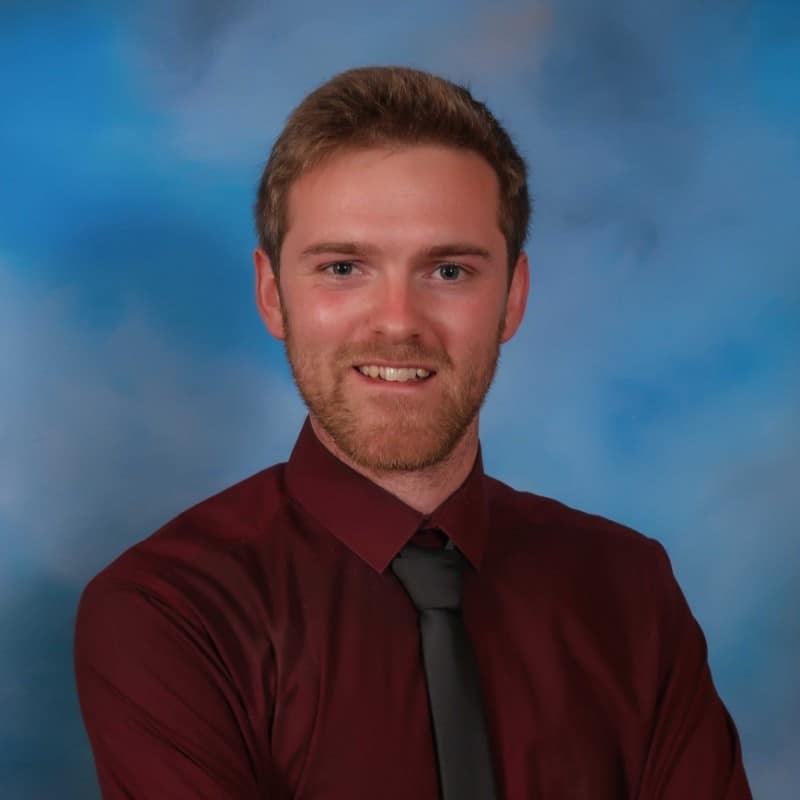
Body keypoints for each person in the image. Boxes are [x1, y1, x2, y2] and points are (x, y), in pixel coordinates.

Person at [74, 66, 752, 799]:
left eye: (449, 271)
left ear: (512, 298)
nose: (397, 321)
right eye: (343, 267)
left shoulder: (629, 590)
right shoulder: (169, 612)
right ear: (273, 296)